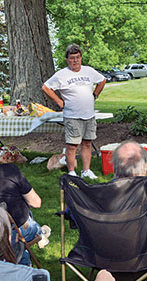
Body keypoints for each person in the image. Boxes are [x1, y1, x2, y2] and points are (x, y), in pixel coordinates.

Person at [42, 44, 106, 180]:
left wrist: (95, 95)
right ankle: (71, 172)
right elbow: (46, 87)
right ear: (67, 60)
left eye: (78, 57)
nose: (75, 61)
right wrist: (59, 102)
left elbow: (102, 80)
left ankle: (86, 170)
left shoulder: (88, 71)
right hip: (72, 115)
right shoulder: (61, 75)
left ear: (81, 58)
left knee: (87, 143)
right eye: (72, 58)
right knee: (72, 145)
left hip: (89, 114)